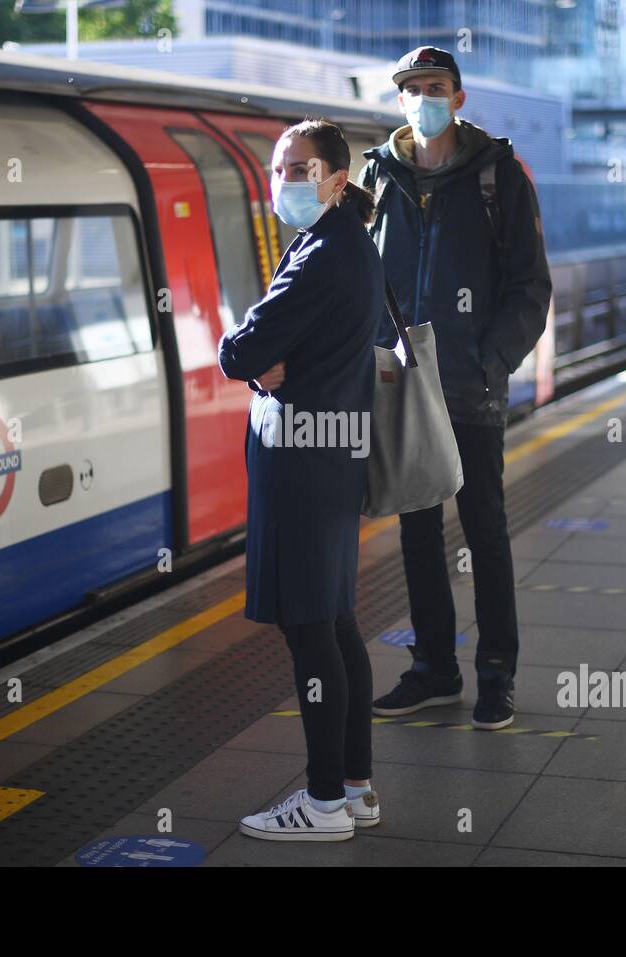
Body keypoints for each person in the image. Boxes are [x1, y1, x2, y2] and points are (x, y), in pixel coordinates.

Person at [358, 46, 552, 731]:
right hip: (403, 381)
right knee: (415, 530)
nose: (423, 97)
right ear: (400, 100)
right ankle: (434, 668)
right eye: (411, 88)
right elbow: (357, 275)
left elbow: (533, 287)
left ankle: (495, 672)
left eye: (435, 86)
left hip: (470, 385)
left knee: (484, 529)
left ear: (458, 98)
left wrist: (488, 359)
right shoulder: (376, 175)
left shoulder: (497, 174)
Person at [218, 119, 383, 841]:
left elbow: (243, 346)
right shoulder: (348, 241)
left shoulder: (321, 253)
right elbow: (277, 347)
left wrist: (246, 356)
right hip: (332, 454)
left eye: (300, 169)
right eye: (279, 168)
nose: (284, 181)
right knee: (337, 621)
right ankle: (355, 787)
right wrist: (263, 358)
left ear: (337, 179)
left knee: (311, 627)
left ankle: (321, 804)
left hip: (303, 462)